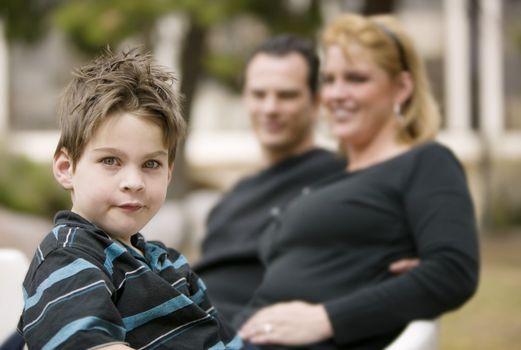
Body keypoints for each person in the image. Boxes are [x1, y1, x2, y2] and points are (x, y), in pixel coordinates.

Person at [236, 13, 480, 349]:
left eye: (356, 78)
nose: (335, 94)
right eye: (330, 79)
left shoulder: (425, 162)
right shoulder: (332, 177)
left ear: (402, 87)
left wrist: (326, 318)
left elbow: (453, 271)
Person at [17, 49, 241, 350]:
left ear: (169, 173)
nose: (134, 182)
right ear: (66, 168)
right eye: (111, 161)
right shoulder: (67, 256)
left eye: (151, 164)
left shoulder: (171, 264)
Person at [193, 34, 347, 324]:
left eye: (286, 95)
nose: (270, 108)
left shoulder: (342, 179)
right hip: (189, 325)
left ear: (316, 102)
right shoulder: (230, 200)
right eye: (259, 94)